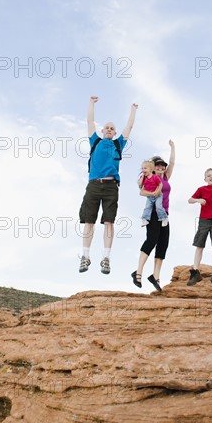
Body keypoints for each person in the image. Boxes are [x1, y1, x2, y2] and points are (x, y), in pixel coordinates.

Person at [78, 96, 138, 275]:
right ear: (103, 130)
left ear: (114, 132)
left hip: (111, 186)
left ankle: (106, 258)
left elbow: (129, 127)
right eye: (107, 128)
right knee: (89, 221)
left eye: (113, 128)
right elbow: (89, 120)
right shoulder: (95, 141)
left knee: (109, 222)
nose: (110, 130)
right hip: (94, 185)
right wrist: (91, 103)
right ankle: (85, 256)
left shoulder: (118, 144)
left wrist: (133, 109)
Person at [131, 141, 175, 291]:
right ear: (152, 168)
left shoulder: (166, 178)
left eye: (162, 165)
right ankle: (138, 272)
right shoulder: (149, 179)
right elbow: (141, 191)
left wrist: (173, 148)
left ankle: (155, 276)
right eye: (157, 166)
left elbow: (173, 162)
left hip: (164, 215)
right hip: (153, 214)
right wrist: (153, 193)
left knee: (163, 244)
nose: (161, 168)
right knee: (151, 240)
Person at [187, 168, 212, 288]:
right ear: (205, 178)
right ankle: (195, 272)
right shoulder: (201, 189)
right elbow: (190, 200)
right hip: (204, 220)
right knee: (199, 245)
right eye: (209, 175)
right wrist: (198, 200)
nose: (211, 177)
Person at [138, 160, 169, 227]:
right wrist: (143, 176)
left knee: (158, 206)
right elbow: (140, 184)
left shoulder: (155, 177)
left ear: (151, 169)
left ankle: (164, 218)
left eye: (145, 168)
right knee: (147, 207)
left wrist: (157, 192)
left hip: (158, 195)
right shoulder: (143, 178)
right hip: (150, 197)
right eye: (142, 168)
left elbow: (160, 184)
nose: (143, 170)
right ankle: (145, 219)